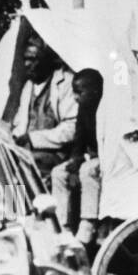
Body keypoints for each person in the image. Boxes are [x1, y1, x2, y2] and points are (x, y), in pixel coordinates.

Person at [10, 35, 78, 180]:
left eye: (33, 59)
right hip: (26, 152)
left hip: (55, 155)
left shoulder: (66, 83)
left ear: (48, 60)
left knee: (24, 168)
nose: (27, 64)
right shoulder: (28, 86)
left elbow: (71, 129)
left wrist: (33, 139)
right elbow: (19, 125)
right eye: (25, 59)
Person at [50, 68, 103, 243]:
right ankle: (62, 225)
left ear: (94, 91)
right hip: (93, 156)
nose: (75, 97)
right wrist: (75, 160)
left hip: (107, 158)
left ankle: (88, 222)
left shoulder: (106, 111)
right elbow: (79, 139)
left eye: (80, 92)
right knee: (59, 173)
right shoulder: (84, 110)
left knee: (88, 171)